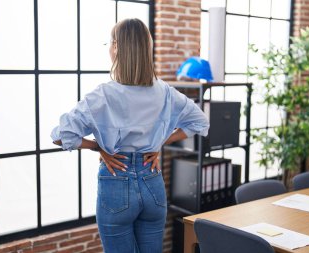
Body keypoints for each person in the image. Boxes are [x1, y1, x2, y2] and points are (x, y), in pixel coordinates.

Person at [51, 18, 209, 253]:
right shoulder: (164, 91)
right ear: (147, 48)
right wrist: (158, 144)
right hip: (152, 182)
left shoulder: (103, 95)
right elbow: (200, 121)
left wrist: (99, 148)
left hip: (116, 179)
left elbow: (61, 136)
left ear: (116, 47)